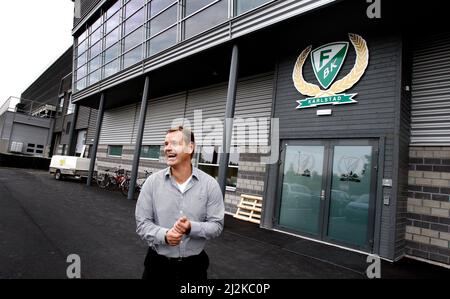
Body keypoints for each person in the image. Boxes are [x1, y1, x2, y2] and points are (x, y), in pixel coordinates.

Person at [135, 126, 225, 280]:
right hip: (157, 266)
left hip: (194, 268)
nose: (167, 148)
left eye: (174, 143)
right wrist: (164, 235)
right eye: (166, 144)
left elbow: (216, 225)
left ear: (190, 147)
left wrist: (191, 227)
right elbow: (142, 223)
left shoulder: (210, 185)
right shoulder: (152, 183)